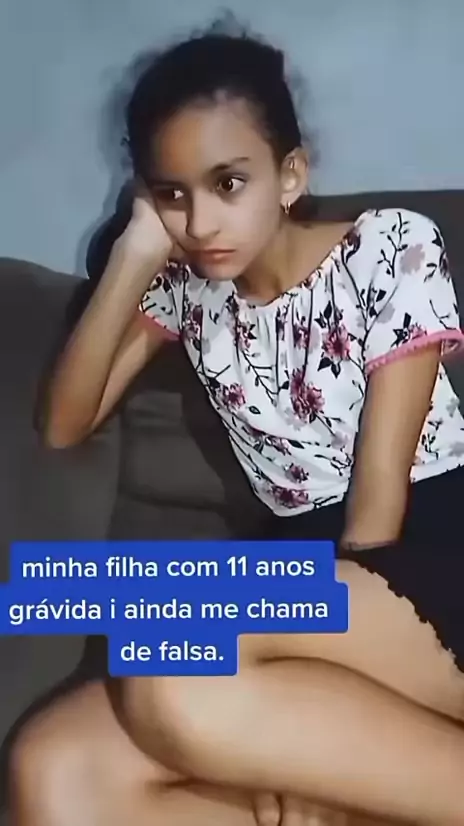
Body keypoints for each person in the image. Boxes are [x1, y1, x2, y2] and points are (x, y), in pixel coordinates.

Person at [10, 22, 464, 826]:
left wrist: (303, 750)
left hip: (423, 547)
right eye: (173, 194)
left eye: (228, 183)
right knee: (52, 771)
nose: (201, 221)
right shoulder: (187, 291)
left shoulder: (390, 245)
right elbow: (64, 425)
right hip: (300, 563)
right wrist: (134, 256)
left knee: (167, 650)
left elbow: (379, 507)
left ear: (290, 175)